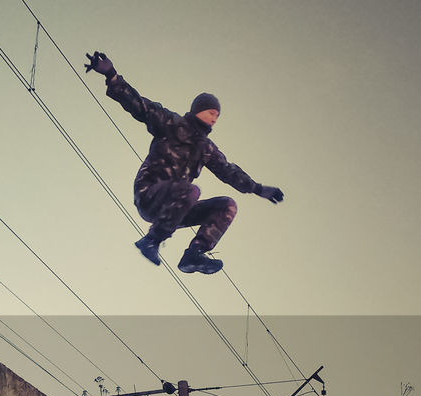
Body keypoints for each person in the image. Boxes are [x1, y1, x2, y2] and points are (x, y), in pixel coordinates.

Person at [84, 51, 284, 274]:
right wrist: (111, 75)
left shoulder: (206, 148)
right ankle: (151, 241)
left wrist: (258, 189)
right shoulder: (172, 123)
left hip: (175, 208)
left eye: (217, 115)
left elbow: (228, 171)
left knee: (227, 205)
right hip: (150, 195)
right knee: (191, 191)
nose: (215, 118)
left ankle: (194, 255)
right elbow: (140, 107)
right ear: (199, 110)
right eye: (211, 112)